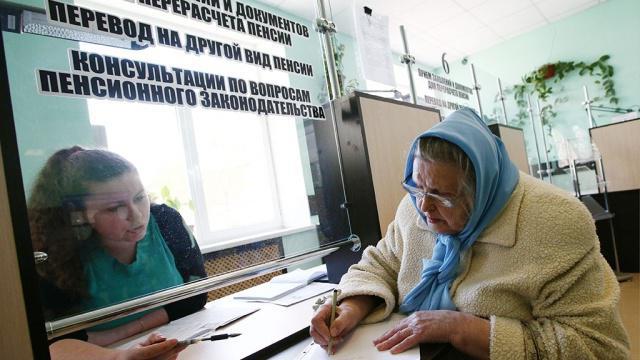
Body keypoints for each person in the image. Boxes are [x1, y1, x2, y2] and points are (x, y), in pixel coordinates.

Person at [310, 108, 630, 359]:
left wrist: (462, 329)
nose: (424, 206)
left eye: (442, 196)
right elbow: (381, 264)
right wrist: (351, 306)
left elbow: (596, 346)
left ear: (483, 192)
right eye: (416, 186)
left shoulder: (554, 222)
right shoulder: (415, 206)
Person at [29, 146, 207, 359]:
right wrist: (124, 353)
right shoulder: (56, 251)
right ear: (79, 215)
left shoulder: (166, 221)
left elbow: (196, 295)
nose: (137, 216)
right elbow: (54, 338)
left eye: (140, 198)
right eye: (114, 208)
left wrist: (118, 336)